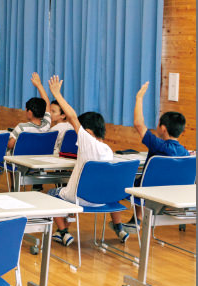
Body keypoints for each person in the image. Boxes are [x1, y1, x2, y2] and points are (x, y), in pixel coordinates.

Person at [46, 76, 129, 245]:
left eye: (81, 130)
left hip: (82, 198)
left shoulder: (87, 142)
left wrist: (57, 94)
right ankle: (119, 228)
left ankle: (63, 232)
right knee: (111, 190)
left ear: (88, 131)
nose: (78, 131)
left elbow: (72, 117)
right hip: (104, 198)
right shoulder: (108, 151)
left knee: (51, 194)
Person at [127, 81, 188, 229]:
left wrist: (139, 98)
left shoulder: (158, 145)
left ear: (163, 128)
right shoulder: (186, 153)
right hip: (174, 192)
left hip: (149, 190)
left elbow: (138, 124)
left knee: (133, 179)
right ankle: (138, 219)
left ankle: (136, 219)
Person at [6, 73, 52, 152]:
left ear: (30, 112)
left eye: (26, 110)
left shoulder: (22, 128)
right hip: (38, 160)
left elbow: (10, 145)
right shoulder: (46, 125)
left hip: (20, 162)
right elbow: (47, 104)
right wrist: (39, 85)